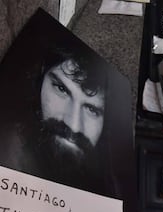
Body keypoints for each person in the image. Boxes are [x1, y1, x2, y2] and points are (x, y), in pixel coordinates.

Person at [0, 44, 111, 195]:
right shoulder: (7, 150)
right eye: (62, 89)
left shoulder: (111, 185)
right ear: (39, 81)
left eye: (92, 109)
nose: (74, 125)